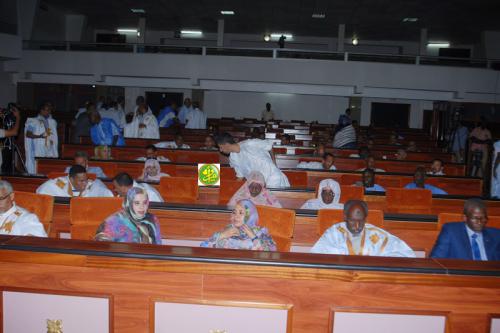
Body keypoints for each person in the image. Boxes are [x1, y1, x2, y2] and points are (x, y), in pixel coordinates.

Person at [311, 200, 415, 257]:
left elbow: (407, 254)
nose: (357, 226)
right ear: (345, 217)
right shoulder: (334, 232)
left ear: (366, 218)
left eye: (361, 221)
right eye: (352, 221)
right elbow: (316, 253)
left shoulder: (376, 235)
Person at [430, 198, 500, 260]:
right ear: (465, 218)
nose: (479, 222)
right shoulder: (451, 231)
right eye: (475, 218)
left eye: (483, 218)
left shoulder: (496, 235)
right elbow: (435, 260)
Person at [216, 132, 290, 188]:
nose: (221, 150)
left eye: (221, 147)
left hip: (273, 177)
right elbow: (240, 176)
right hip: (257, 186)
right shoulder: (233, 157)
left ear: (226, 144)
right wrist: (230, 187)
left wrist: (274, 163)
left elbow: (269, 146)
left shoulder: (250, 143)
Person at [200, 199, 276, 251]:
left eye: (241, 213)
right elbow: (203, 247)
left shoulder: (261, 232)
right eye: (234, 212)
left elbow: (271, 254)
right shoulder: (229, 230)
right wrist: (221, 235)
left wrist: (253, 237)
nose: (236, 216)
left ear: (250, 215)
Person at [95, 186, 162, 244]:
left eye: (144, 203)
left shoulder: (152, 219)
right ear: (129, 203)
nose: (141, 207)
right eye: (137, 203)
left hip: (148, 258)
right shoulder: (115, 220)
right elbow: (101, 245)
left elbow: (158, 246)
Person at [36, 165, 113, 197]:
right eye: (81, 181)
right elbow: (42, 190)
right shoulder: (61, 183)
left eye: (85, 180)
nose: (85, 183)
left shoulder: (90, 184)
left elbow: (107, 194)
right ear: (71, 179)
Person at [25, 102, 58, 174]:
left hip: (48, 148)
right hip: (38, 148)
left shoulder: (51, 121)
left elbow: (52, 135)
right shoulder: (33, 121)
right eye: (47, 110)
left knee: (47, 167)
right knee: (37, 167)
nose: (49, 112)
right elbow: (28, 134)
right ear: (41, 110)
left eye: (50, 110)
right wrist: (40, 136)